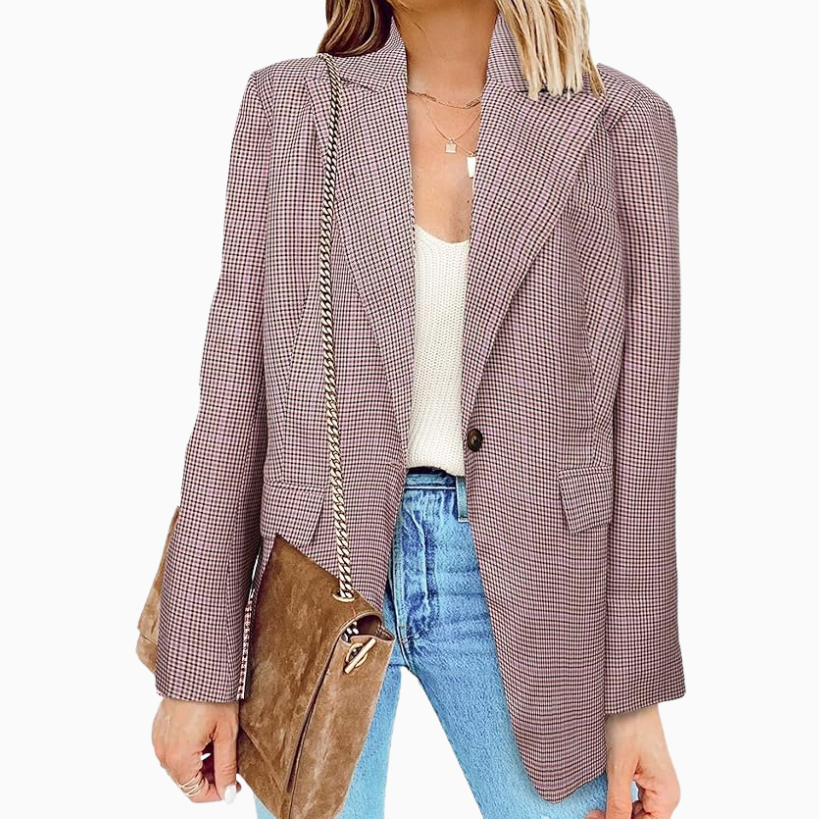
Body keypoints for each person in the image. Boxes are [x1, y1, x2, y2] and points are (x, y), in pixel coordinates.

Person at [150, 2, 686, 818]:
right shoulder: (291, 106)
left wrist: (633, 697)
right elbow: (231, 402)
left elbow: (643, 432)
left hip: (535, 579)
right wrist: (196, 667)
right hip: (316, 571)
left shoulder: (622, 125)